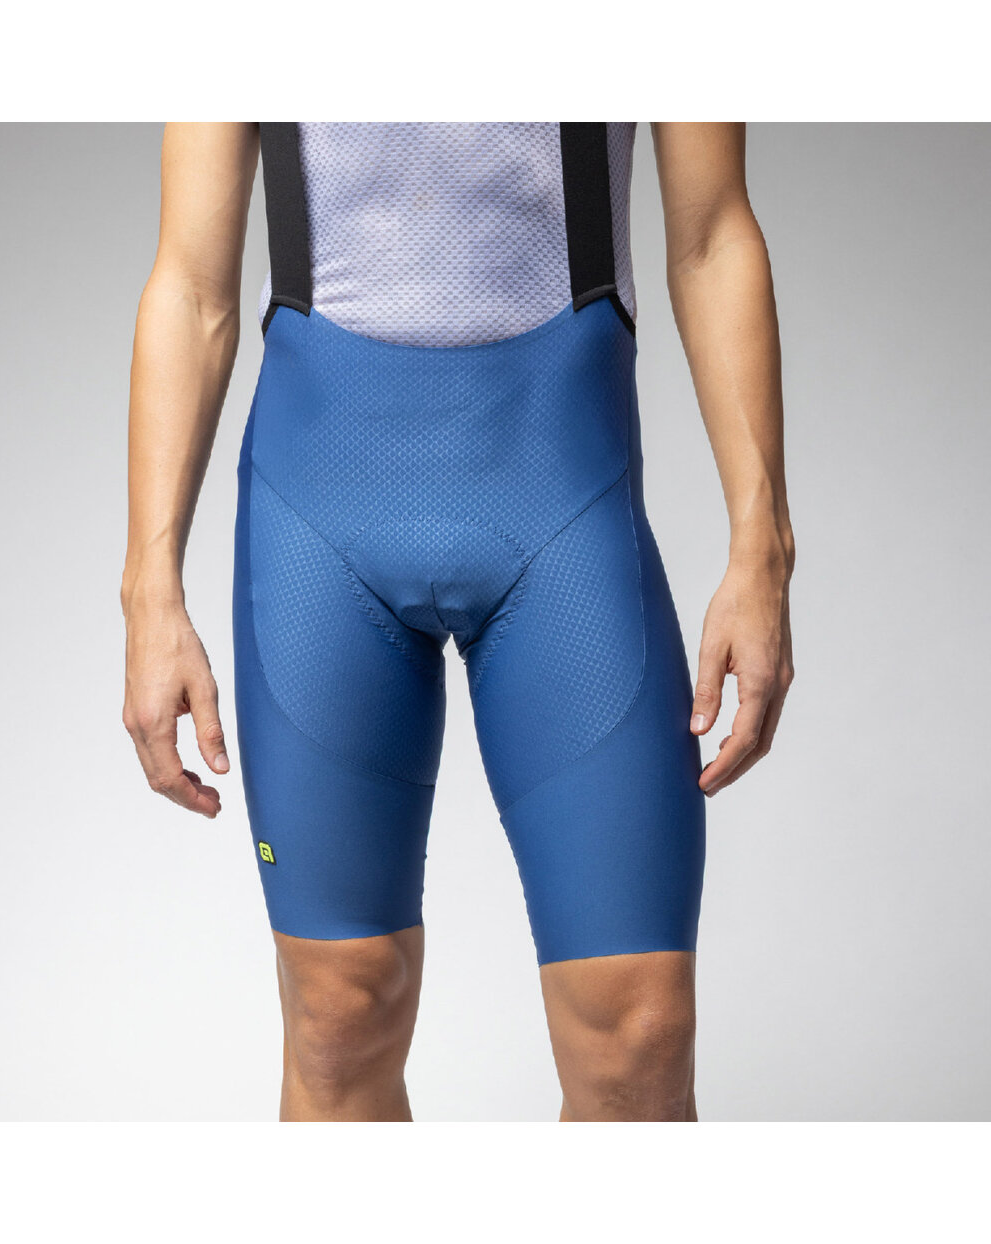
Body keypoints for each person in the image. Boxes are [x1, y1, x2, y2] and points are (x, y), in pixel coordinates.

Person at [121, 122, 794, 1122]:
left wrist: (762, 549)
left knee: (639, 1033)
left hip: (561, 495)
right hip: (319, 512)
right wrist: (150, 593)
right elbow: (190, 283)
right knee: (337, 1014)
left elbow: (712, 237)